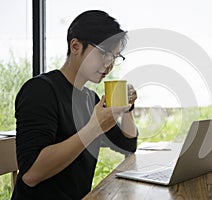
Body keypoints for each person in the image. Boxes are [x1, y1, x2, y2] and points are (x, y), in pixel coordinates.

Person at [11, 10, 138, 200]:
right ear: (76, 46)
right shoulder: (39, 90)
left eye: (115, 56)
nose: (110, 63)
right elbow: (31, 174)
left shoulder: (90, 98)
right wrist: (93, 128)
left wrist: (126, 108)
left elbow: (128, 144)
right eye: (104, 53)